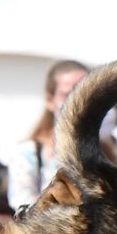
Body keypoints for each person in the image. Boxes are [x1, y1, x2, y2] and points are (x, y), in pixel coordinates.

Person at [7, 60, 88, 211]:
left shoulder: (106, 151)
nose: (78, 101)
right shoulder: (28, 152)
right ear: (50, 100)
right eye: (68, 94)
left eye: (85, 93)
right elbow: (21, 203)